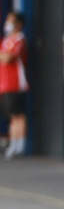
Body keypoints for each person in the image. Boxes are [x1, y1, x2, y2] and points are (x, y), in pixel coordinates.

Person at [0, 12, 27, 159]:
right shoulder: (6, 40)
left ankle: (19, 145)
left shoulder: (20, 39)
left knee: (18, 115)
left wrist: (4, 55)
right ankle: (13, 143)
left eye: (11, 20)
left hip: (16, 84)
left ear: (19, 23)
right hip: (4, 84)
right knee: (11, 115)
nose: (8, 23)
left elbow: (8, 58)